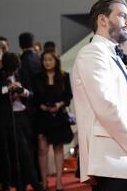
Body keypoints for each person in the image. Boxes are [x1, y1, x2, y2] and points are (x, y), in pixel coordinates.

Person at [71, 0, 127, 191]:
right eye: (122, 16)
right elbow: (108, 108)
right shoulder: (91, 53)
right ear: (102, 20)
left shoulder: (115, 57)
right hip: (114, 164)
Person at [0, 52, 44, 191]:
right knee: (14, 152)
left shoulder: (22, 73)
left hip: (24, 116)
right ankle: (19, 183)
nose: (15, 71)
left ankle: (26, 182)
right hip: (7, 119)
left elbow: (32, 93)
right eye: (12, 69)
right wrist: (8, 89)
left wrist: (24, 92)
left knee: (28, 150)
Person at [33, 50, 73, 191]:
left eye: (50, 59)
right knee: (42, 149)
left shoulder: (64, 76)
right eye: (45, 60)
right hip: (42, 117)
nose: (47, 62)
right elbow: (34, 97)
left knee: (58, 148)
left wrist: (59, 104)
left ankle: (59, 181)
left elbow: (68, 96)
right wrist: (43, 106)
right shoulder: (37, 77)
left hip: (59, 116)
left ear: (55, 60)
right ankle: (44, 182)